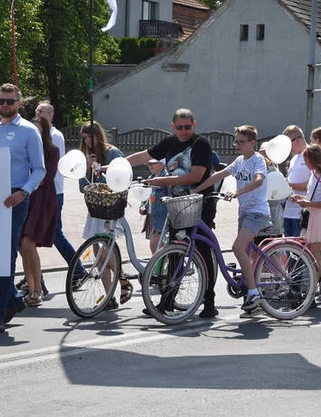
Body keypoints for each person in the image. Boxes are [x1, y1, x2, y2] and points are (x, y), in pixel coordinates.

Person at [124, 109, 218, 317]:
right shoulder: (169, 142)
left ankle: (209, 302)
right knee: (175, 249)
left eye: (187, 127)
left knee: (201, 249)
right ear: (173, 126)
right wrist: (118, 164)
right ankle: (167, 301)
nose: (183, 131)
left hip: (200, 202)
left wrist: (164, 181)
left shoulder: (200, 144)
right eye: (179, 127)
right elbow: (145, 156)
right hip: (177, 203)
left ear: (194, 125)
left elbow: (196, 176)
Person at [0, 83, 46, 333]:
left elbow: (40, 169)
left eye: (10, 101)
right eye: (1, 101)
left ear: (19, 103)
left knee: (5, 255)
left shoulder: (29, 131)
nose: (5, 105)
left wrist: (23, 192)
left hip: (15, 197)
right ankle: (15, 301)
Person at [196, 125, 269, 317]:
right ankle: (251, 299)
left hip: (257, 212)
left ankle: (254, 294)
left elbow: (259, 180)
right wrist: (195, 191)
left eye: (241, 142)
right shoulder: (238, 161)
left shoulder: (258, 160)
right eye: (235, 141)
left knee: (237, 248)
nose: (236, 145)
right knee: (244, 252)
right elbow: (218, 175)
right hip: (244, 213)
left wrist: (237, 192)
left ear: (252, 143)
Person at [78, 121, 132, 307]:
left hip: (111, 207)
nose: (87, 141)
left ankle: (123, 280)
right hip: (95, 208)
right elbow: (82, 187)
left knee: (106, 252)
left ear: (98, 136)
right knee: (97, 252)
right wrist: (87, 168)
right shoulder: (87, 156)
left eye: (90, 137)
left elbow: (123, 177)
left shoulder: (112, 153)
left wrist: (100, 169)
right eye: (84, 138)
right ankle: (110, 296)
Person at [288, 144, 321, 304]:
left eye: (306, 160)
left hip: (320, 217)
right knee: (310, 256)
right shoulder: (315, 175)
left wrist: (308, 204)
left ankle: (313, 293)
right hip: (314, 215)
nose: (305, 163)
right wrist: (302, 200)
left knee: (313, 258)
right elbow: (315, 200)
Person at [35, 102, 80, 292]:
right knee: (29, 236)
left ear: (51, 115)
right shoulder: (35, 132)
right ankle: (37, 277)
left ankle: (78, 269)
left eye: (42, 111)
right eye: (37, 111)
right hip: (40, 191)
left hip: (54, 191)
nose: (38, 114)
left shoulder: (55, 136)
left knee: (54, 234)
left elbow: (51, 160)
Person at [19, 115, 61, 308]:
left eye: (38, 129)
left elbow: (45, 177)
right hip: (25, 196)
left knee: (28, 243)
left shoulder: (52, 150)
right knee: (23, 246)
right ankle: (32, 286)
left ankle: (37, 290)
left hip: (42, 198)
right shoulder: (23, 148)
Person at [281, 126, 310, 237]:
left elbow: (315, 185)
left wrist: (289, 185)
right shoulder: (294, 158)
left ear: (297, 140)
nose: (287, 149)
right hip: (289, 211)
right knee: (289, 247)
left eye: (288, 144)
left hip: (302, 211)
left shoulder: (311, 155)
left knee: (300, 249)